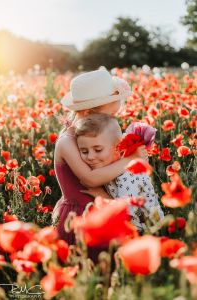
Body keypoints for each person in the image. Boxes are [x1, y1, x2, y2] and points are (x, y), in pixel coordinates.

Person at [52, 69, 149, 247]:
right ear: (89, 113)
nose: (113, 120)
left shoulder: (92, 133)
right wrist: (130, 159)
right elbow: (89, 179)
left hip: (101, 207)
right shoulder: (66, 142)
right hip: (81, 215)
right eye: (110, 115)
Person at [74, 113, 164, 233]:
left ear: (117, 148)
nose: (90, 157)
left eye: (98, 150)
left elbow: (128, 215)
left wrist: (102, 197)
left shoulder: (130, 173)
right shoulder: (110, 166)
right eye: (84, 151)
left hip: (147, 232)